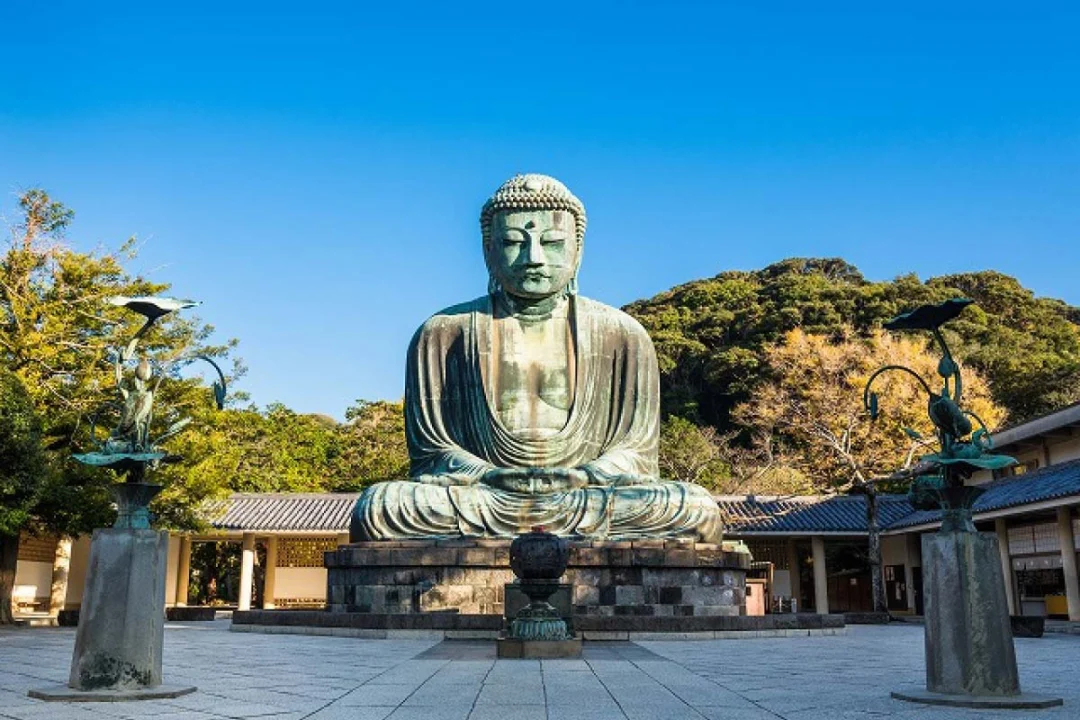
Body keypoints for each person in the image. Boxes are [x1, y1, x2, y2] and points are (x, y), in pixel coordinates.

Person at [351, 174, 723, 542]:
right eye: (513, 242)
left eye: (552, 242)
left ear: (578, 251)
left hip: (587, 495)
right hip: (484, 495)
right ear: (488, 251)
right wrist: (486, 474)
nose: (534, 258)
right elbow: (433, 452)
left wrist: (587, 476)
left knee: (695, 508)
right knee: (383, 506)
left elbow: (636, 453)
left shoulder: (623, 334)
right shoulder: (444, 333)